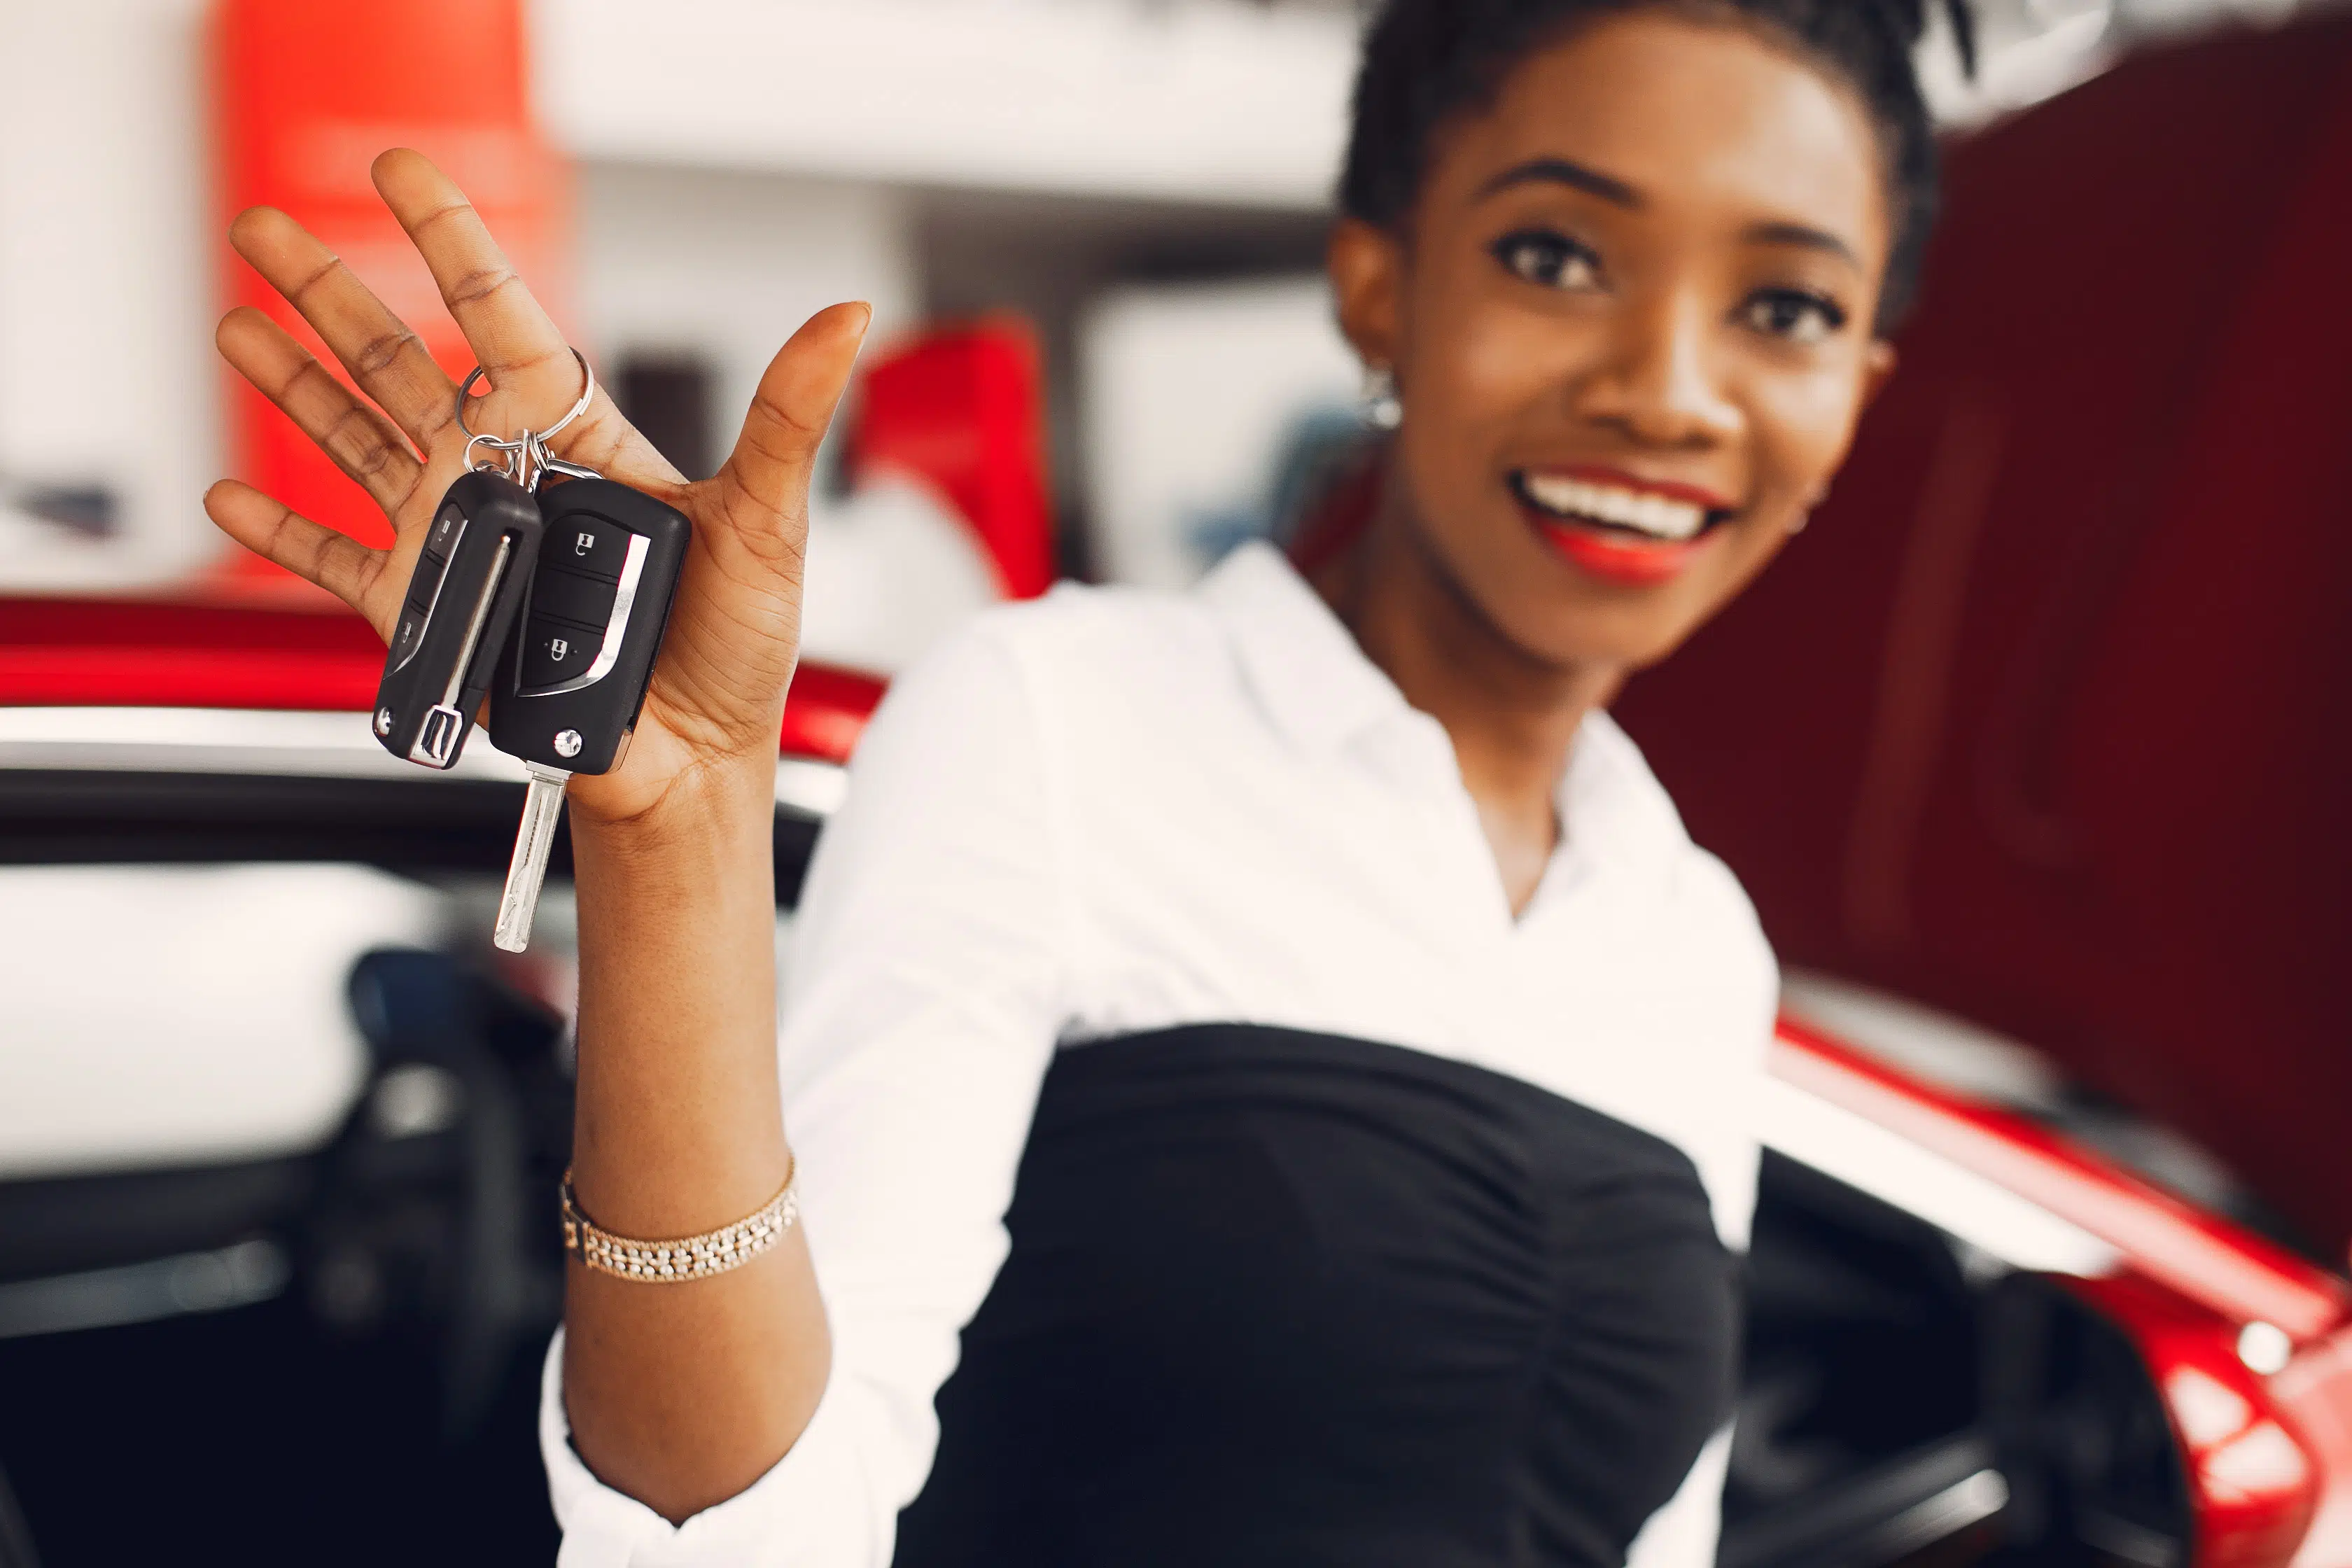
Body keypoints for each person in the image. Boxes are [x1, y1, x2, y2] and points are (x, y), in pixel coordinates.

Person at [204, 0, 1972, 1561]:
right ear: (1378, 280)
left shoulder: (1690, 943)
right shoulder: (1060, 721)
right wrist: (682, 836)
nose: (1668, 389)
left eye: (1784, 306)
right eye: (1560, 258)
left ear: (1860, 391)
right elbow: (740, 1538)